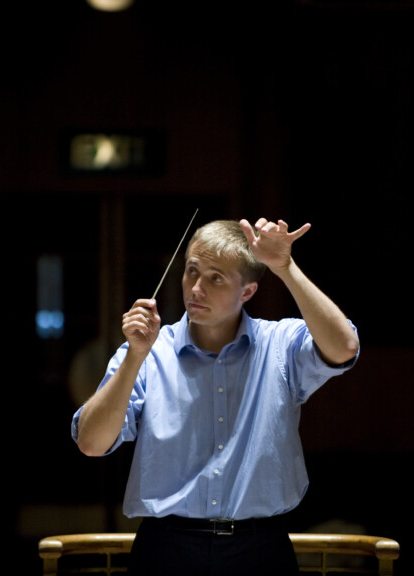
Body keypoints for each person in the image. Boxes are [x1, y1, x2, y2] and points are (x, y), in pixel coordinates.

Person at [71, 217, 360, 576]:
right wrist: (134, 357)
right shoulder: (147, 352)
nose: (196, 288)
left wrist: (285, 267)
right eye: (192, 271)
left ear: (248, 292)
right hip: (166, 547)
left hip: (260, 547)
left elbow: (345, 348)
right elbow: (91, 443)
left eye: (215, 278)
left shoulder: (279, 344)